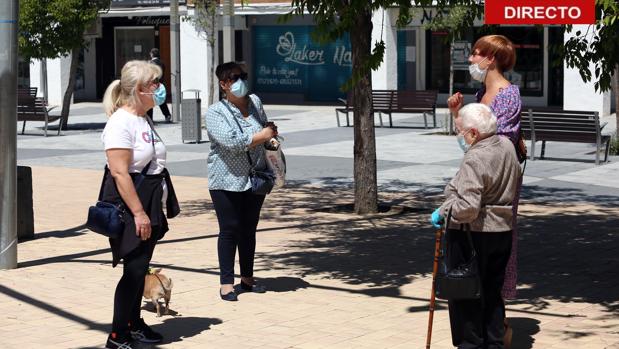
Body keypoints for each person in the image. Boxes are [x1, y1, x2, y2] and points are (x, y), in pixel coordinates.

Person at [447, 34, 522, 344]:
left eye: (477, 53)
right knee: (476, 265)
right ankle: (486, 328)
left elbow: (491, 145)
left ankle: (493, 328)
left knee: (489, 261)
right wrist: (457, 114)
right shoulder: (481, 93)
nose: (471, 59)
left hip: (496, 186)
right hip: (479, 180)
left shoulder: (508, 95)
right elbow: (472, 141)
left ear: (492, 58)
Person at [101, 60, 180, 349]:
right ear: (138, 89)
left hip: (150, 201)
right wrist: (138, 213)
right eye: (154, 84)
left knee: (140, 267)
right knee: (134, 270)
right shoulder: (120, 123)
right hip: (133, 206)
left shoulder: (142, 118)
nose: (160, 89)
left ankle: (133, 324)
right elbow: (120, 173)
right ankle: (117, 334)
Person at [431, 103, 520, 349]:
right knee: (492, 296)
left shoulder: (475, 156)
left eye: (459, 131)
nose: (458, 136)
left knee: (465, 295)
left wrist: (443, 210)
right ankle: (494, 343)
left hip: (474, 236)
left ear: (473, 133)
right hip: (501, 231)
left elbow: (468, 208)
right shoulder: (506, 145)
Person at [205, 61, 278, 301]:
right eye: (235, 78)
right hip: (226, 179)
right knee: (230, 229)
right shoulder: (216, 112)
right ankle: (226, 283)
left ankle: (247, 279)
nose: (241, 81)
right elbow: (233, 143)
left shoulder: (255, 102)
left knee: (249, 229)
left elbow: (265, 130)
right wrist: (262, 135)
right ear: (223, 83)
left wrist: (270, 138)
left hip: (255, 177)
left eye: (243, 76)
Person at [146, 48, 172, 123]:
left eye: (150, 53)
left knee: (150, 101)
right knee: (161, 100)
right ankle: (167, 115)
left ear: (152, 54)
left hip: (152, 84)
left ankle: (150, 118)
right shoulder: (162, 63)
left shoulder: (150, 63)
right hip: (160, 84)